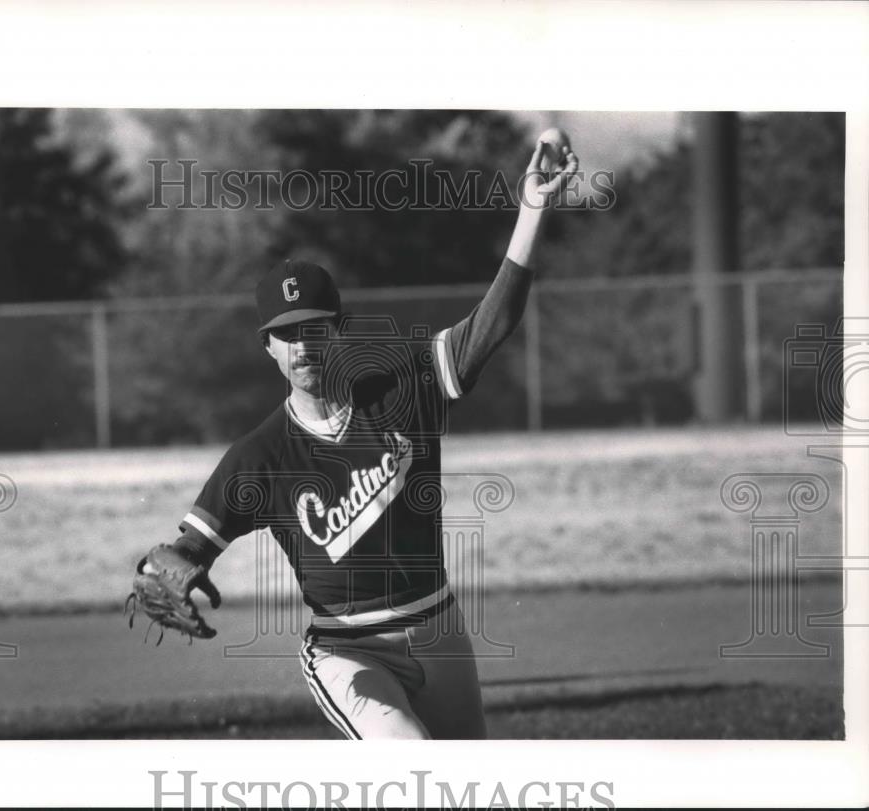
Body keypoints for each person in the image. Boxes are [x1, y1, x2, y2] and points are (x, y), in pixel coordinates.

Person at [159, 140, 578, 739]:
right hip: (347, 650)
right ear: (268, 347)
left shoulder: (406, 386)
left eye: (314, 329)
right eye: (287, 334)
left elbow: (494, 323)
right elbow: (190, 549)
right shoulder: (258, 458)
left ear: (340, 330)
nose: (303, 346)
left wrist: (532, 210)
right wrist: (172, 566)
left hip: (439, 630)